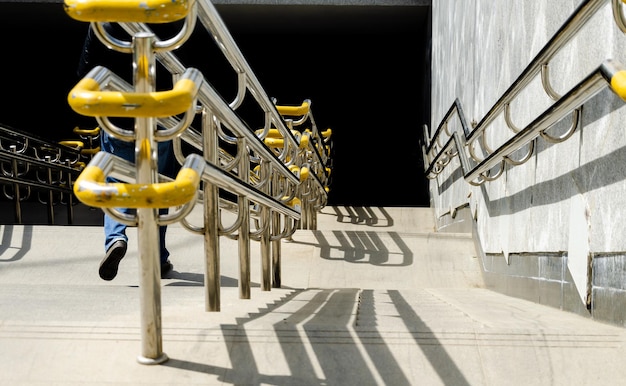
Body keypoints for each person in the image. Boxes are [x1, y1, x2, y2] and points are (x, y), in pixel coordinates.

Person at [77, 22, 178, 280]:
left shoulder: (103, 19)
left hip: (117, 117)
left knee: (114, 179)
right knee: (157, 186)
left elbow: (86, 71)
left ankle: (115, 239)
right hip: (159, 117)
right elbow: (181, 66)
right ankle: (157, 256)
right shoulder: (164, 16)